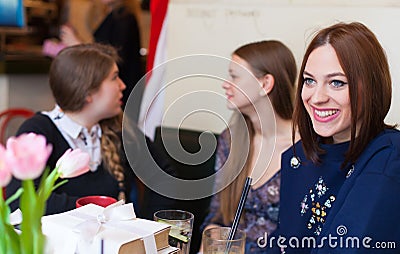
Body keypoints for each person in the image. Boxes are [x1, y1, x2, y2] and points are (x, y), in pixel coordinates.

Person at [271, 22, 400, 253]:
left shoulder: (389, 158)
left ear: (371, 87)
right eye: (309, 80)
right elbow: (282, 243)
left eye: (337, 82)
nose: (316, 97)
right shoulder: (296, 157)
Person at [6, 43, 175, 216]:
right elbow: (21, 201)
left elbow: (163, 176)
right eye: (114, 77)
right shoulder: (38, 131)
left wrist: (150, 227)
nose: (122, 85)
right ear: (87, 92)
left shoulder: (118, 128)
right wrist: (97, 209)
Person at [200, 40, 298, 253]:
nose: (225, 84)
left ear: (265, 84)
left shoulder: (306, 151)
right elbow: (217, 215)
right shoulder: (231, 140)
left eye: (234, 76)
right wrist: (211, 240)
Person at [60, 0, 144, 117]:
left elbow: (115, 59)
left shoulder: (124, 17)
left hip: (123, 95)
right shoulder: (113, 14)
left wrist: (77, 44)